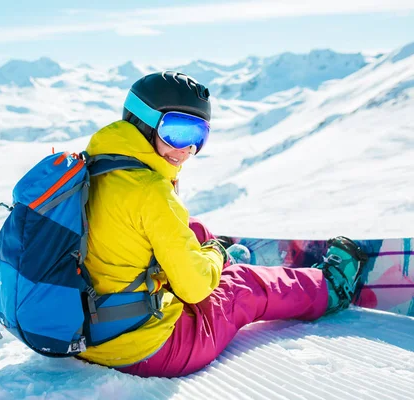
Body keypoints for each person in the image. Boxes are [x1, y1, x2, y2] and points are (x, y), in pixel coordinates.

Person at [77, 71, 367, 378]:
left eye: (198, 135)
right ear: (143, 122)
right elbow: (194, 290)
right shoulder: (150, 191)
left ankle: (216, 257)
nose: (187, 149)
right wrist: (215, 256)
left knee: (192, 229)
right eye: (178, 131)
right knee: (243, 287)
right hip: (147, 350)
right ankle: (329, 288)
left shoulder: (96, 166)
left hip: (90, 336)